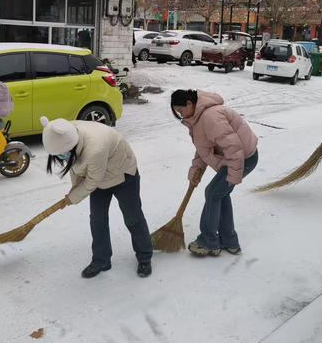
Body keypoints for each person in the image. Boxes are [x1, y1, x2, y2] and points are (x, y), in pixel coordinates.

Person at [41, 117, 153, 278]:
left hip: (123, 175)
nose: (61, 158)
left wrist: (73, 198)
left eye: (61, 155)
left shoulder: (95, 148)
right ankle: (101, 260)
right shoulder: (67, 132)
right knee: (97, 219)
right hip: (98, 175)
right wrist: (73, 190)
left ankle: (144, 257)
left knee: (132, 217)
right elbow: (76, 168)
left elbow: (92, 181)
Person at [171, 89, 258, 256]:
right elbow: (204, 148)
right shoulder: (198, 118)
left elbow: (233, 147)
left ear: (190, 103)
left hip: (243, 158)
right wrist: (196, 170)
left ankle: (208, 241)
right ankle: (229, 241)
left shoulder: (210, 117)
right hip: (233, 158)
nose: (181, 115)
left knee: (213, 193)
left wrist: (233, 177)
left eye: (181, 111)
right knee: (219, 194)